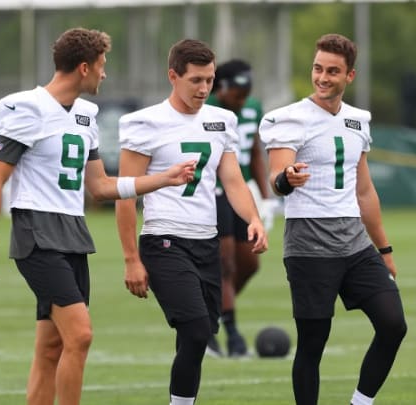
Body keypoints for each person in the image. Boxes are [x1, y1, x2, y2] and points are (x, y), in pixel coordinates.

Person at [0, 28, 196, 405]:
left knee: (51, 347)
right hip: (37, 233)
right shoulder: (25, 106)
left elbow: (101, 186)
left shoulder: (86, 114)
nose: (105, 73)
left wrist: (162, 179)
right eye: (102, 65)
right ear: (84, 67)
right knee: (80, 335)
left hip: (73, 234)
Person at [115, 39, 268, 405]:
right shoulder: (145, 122)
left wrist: (254, 218)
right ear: (173, 76)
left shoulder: (222, 120)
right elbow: (125, 193)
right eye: (196, 80)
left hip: (206, 242)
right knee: (198, 332)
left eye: (209, 80)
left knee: (195, 337)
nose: (203, 88)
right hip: (164, 240)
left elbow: (233, 180)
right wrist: (131, 258)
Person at [258, 33, 407, 405]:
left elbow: (365, 191)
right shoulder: (290, 117)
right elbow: (276, 178)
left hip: (355, 243)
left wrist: (384, 249)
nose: (322, 77)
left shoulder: (358, 120)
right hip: (309, 245)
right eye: (318, 69)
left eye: (332, 71)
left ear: (349, 76)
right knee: (312, 344)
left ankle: (360, 402)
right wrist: (286, 179)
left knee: (393, 324)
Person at [204, 59, 275, 357]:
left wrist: (267, 198)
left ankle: (209, 313)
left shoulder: (252, 108)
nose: (242, 101)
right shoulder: (205, 107)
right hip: (214, 191)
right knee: (225, 263)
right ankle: (230, 334)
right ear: (221, 88)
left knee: (249, 263)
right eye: (237, 94)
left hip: (241, 192)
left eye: (246, 95)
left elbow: (255, 153)